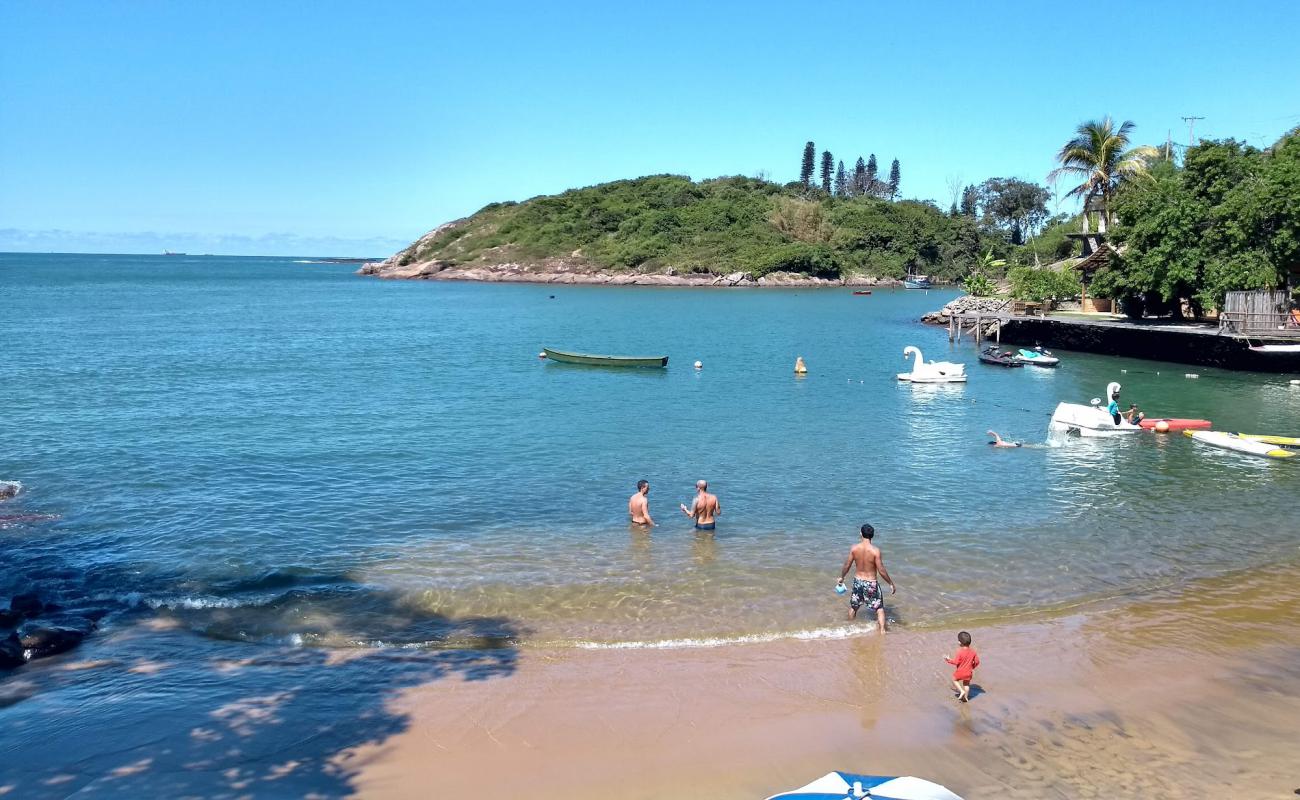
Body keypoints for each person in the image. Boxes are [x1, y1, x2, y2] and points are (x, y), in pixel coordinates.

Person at [836, 523, 897, 634]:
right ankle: (882, 631)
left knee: (854, 607)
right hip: (871, 583)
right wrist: (890, 583)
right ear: (872, 535)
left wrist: (842, 577)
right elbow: (881, 570)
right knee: (879, 608)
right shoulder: (875, 551)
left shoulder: (854, 549)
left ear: (861, 533)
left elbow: (847, 565)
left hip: (858, 581)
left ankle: (849, 629)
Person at [944, 631, 980, 702]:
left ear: (960, 642)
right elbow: (977, 662)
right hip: (969, 672)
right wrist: (972, 666)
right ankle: (965, 698)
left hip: (960, 672)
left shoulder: (960, 652)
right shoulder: (973, 652)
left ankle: (961, 691)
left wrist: (948, 660)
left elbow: (956, 662)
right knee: (966, 685)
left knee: (954, 679)